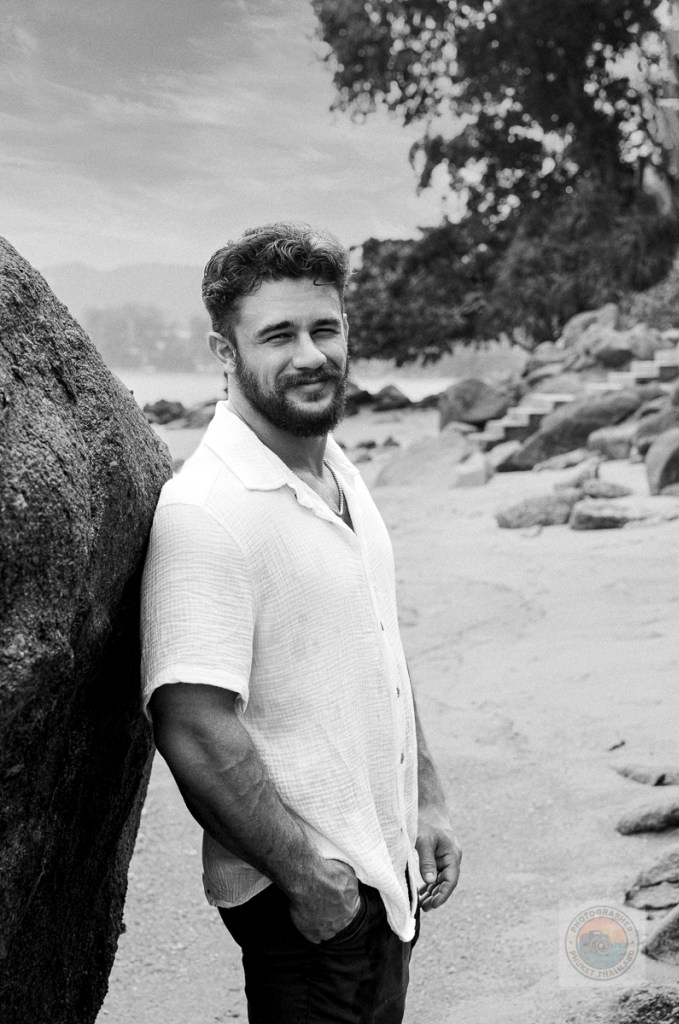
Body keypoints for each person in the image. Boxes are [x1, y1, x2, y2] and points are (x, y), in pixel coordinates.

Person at [140, 222, 461, 1024]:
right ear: (225, 352)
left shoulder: (333, 465)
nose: (311, 354)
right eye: (278, 335)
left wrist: (423, 797)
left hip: (378, 872)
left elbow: (377, 643)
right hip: (307, 896)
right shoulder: (206, 513)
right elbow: (190, 724)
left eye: (325, 328)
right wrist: (303, 876)